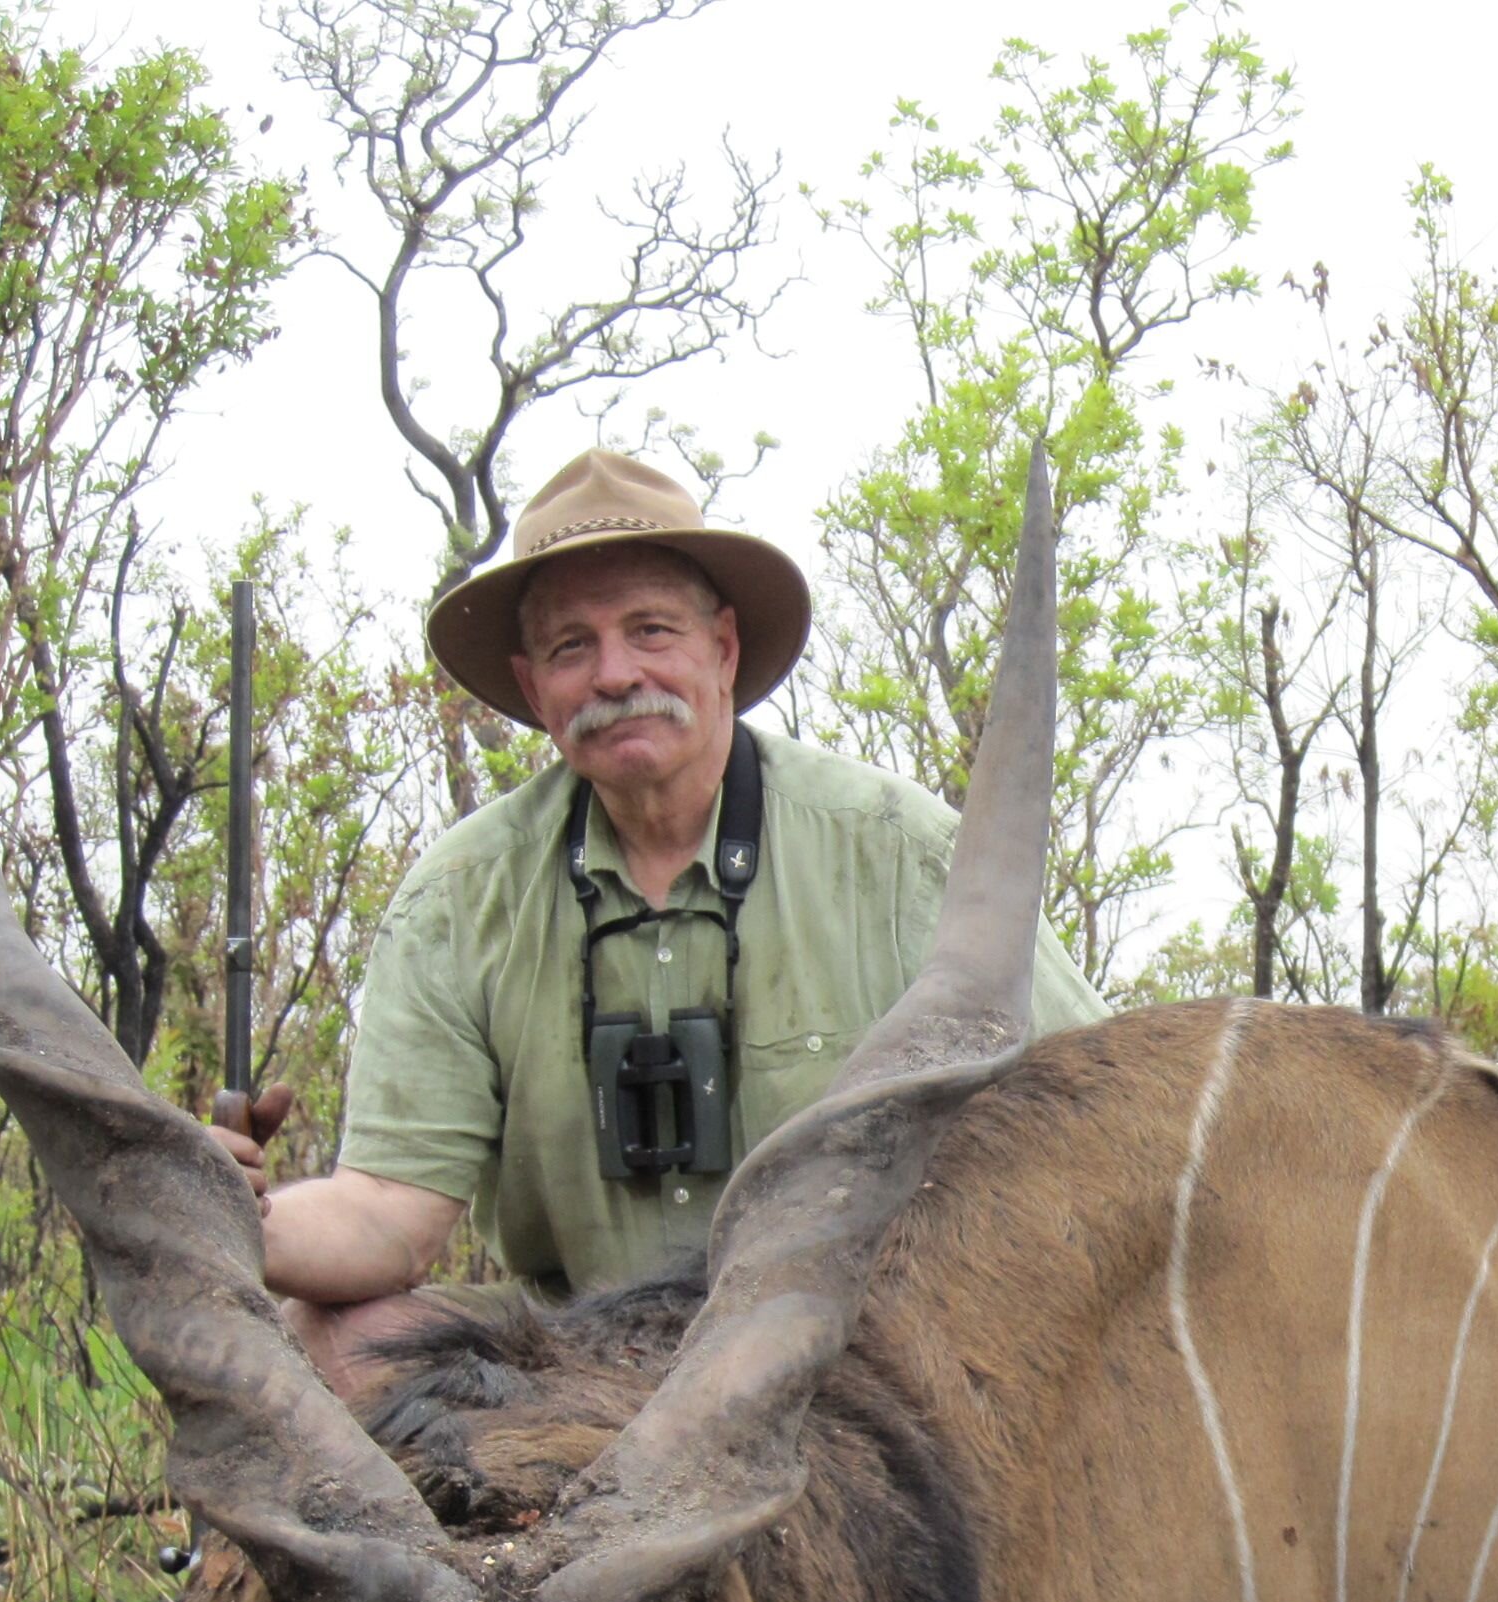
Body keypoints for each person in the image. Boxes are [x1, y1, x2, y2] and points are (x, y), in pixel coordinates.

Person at [211, 447, 1109, 1383]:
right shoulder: (458, 901)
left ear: (721, 649)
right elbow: (386, 1213)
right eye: (572, 648)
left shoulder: (896, 848)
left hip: (852, 1350)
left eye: (650, 631)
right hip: (575, 1366)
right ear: (532, 687)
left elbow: (1094, 1101)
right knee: (329, 1339)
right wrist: (223, 1206)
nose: (612, 674)